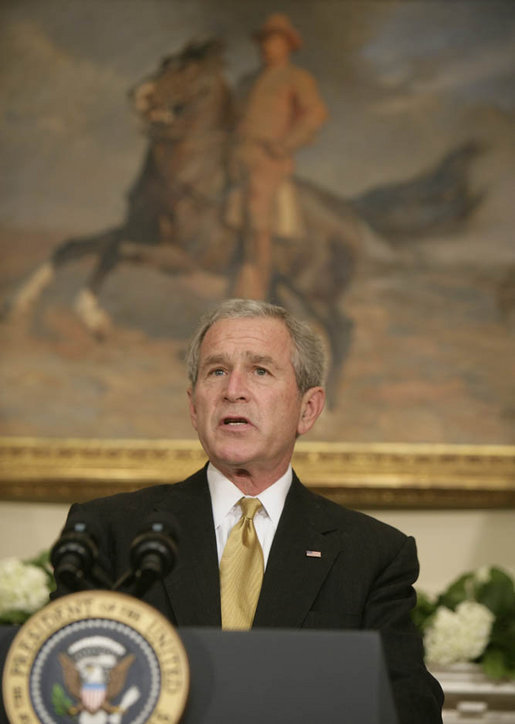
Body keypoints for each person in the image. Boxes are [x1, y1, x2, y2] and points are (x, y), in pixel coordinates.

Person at [54, 298, 443, 723]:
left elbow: (410, 711)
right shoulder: (112, 531)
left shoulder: (372, 555)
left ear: (308, 409)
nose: (233, 389)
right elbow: (54, 687)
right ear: (193, 406)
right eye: (216, 371)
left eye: (260, 371)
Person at [226, 14, 328, 300]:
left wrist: (287, 144)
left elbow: (315, 114)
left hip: (268, 159)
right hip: (237, 156)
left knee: (258, 216)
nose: (267, 47)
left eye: (274, 41)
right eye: (264, 41)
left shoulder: (297, 78)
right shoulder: (247, 81)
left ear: (287, 46)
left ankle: (257, 290)